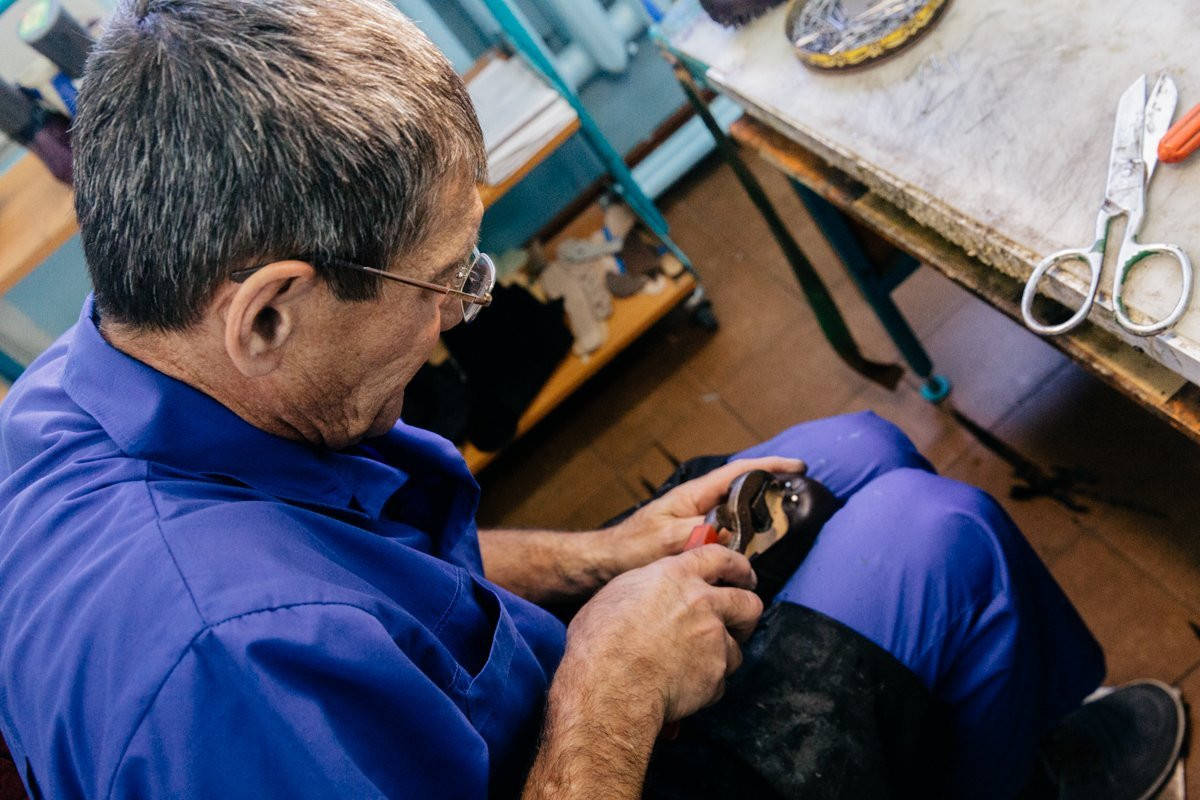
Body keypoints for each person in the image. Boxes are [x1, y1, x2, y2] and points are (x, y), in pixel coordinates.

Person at [0, 1, 1170, 798]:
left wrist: (597, 557)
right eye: (447, 273)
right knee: (937, 535)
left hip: (509, 704)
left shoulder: (88, 381)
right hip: (571, 755)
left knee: (851, 449)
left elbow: (364, 576)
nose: (466, 310)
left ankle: (1009, 744)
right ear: (266, 314)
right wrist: (606, 693)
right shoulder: (229, 684)